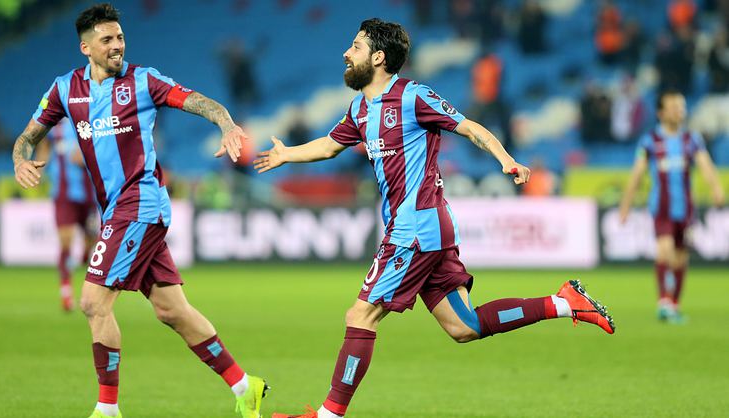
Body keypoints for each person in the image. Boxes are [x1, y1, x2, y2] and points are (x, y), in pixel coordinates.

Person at [255, 18, 616, 418]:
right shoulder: (360, 108)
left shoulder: (413, 96)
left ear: (379, 57)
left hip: (414, 227)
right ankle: (564, 303)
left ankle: (328, 415)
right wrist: (286, 154)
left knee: (360, 315)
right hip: (429, 229)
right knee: (464, 327)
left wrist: (506, 159)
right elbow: (329, 146)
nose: (346, 53)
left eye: (355, 47)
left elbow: (469, 127)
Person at [11, 4, 267, 418]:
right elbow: (27, 136)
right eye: (107, 40)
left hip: (140, 203)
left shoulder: (143, 81)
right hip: (117, 209)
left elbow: (198, 101)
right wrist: (20, 159)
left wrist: (225, 123)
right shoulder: (64, 89)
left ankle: (107, 409)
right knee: (172, 310)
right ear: (86, 47)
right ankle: (244, 385)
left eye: (120, 37)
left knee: (93, 302)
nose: (117, 46)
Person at [619, 90, 724, 322]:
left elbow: (705, 165)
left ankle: (674, 304)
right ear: (661, 113)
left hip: (685, 210)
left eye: (682, 107)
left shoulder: (692, 139)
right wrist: (625, 206)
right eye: (674, 107)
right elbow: (636, 175)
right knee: (664, 251)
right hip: (661, 208)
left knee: (680, 258)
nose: (679, 112)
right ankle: (663, 302)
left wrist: (716, 188)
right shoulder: (650, 141)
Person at [35, 118, 98, 311]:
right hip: (63, 196)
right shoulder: (56, 127)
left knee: (91, 243)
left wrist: (87, 155)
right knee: (65, 241)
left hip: (90, 196)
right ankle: (66, 293)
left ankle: (84, 257)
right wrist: (38, 170)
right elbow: (44, 146)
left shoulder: (92, 122)